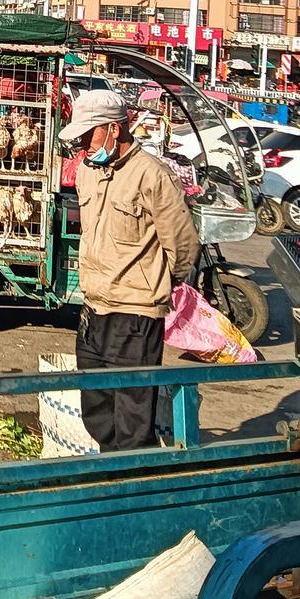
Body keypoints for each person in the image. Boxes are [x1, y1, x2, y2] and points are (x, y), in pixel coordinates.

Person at [60, 88, 200, 453]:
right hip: (93, 309)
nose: (83, 146)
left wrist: (156, 286)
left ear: (114, 130)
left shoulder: (152, 176)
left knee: (132, 419)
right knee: (97, 410)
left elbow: (183, 246)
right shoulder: (89, 173)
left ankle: (131, 488)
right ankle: (111, 473)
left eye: (88, 136)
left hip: (135, 316)